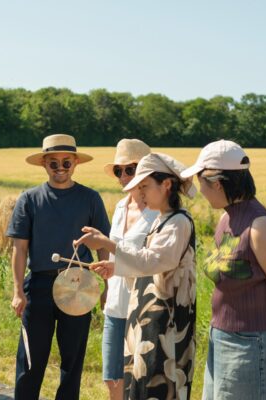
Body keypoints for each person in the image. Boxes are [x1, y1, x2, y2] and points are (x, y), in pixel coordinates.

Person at [75, 152, 197, 400]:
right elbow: (147, 264)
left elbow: (154, 261)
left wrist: (109, 246)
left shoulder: (178, 223)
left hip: (167, 327)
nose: (140, 193)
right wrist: (115, 269)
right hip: (149, 324)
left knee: (160, 389)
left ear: (167, 185)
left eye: (145, 186)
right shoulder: (162, 220)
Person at [180, 139, 266, 400]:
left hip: (254, 345)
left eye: (201, 183)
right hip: (221, 337)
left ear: (217, 183)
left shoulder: (260, 226)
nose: (202, 191)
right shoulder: (227, 218)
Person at [6, 134, 111, 400]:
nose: (61, 168)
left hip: (79, 284)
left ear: (76, 162)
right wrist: (18, 291)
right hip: (39, 286)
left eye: (66, 162)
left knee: (72, 362)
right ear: (44, 164)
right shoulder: (29, 199)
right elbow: (19, 249)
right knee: (31, 361)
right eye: (54, 163)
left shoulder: (91, 199)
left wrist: (108, 287)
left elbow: (103, 247)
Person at [101, 139, 158, 400]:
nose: (123, 176)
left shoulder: (159, 213)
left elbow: (155, 261)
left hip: (144, 309)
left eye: (130, 169)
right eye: (118, 170)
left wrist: (112, 254)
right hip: (115, 305)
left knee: (140, 383)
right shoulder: (120, 207)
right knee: (113, 379)